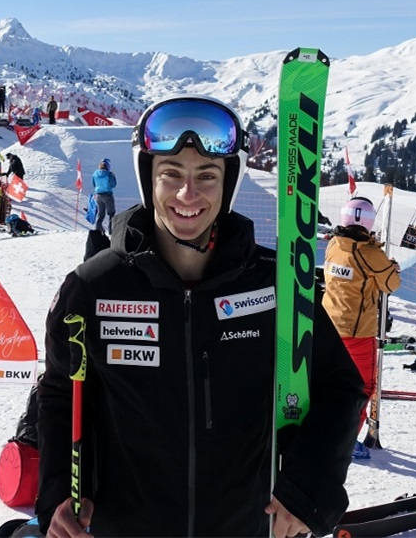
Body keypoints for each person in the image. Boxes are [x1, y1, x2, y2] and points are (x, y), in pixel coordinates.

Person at [37, 94, 364, 538]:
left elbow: (338, 387)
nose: (187, 194)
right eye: (170, 173)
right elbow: (59, 393)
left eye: (206, 176)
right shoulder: (93, 289)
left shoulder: (276, 287)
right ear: (147, 177)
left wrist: (309, 486)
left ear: (228, 182)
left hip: (245, 526)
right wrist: (58, 490)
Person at [321, 196, 401, 460]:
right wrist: (387, 263)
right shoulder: (369, 252)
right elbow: (391, 284)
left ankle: (325, 433)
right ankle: (346, 440)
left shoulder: (334, 244)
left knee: (329, 383)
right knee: (362, 387)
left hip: (328, 325)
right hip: (356, 331)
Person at [91, 158, 117, 234]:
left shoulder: (95, 174)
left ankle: (97, 231)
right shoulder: (109, 174)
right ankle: (111, 232)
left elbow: (94, 184)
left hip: (98, 195)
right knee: (111, 214)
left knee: (101, 214)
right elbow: (113, 185)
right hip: (108, 195)